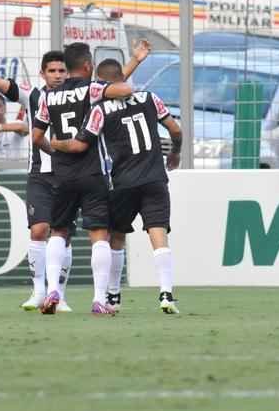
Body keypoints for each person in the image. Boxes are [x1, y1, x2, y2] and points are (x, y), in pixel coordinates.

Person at [54, 58, 183, 314]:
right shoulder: (150, 98)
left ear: (102, 82)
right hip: (155, 177)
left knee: (115, 234)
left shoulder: (100, 109)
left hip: (122, 182)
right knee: (159, 235)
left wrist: (55, 143)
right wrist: (175, 153)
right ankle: (166, 294)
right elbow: (175, 129)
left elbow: (80, 145)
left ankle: (112, 295)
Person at [0, 45, 76, 312]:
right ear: (42, 74)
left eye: (61, 70)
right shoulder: (32, 95)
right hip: (40, 175)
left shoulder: (80, 95)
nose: (57, 75)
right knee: (39, 229)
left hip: (71, 175)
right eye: (52, 70)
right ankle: (39, 291)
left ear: (68, 73)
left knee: (63, 235)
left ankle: (59, 295)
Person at [31, 42, 134, 316]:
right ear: (88, 66)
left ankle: (52, 288)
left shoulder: (47, 96)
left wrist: (55, 150)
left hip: (62, 175)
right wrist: (106, 86)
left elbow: (37, 137)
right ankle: (99, 299)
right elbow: (125, 89)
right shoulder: (92, 89)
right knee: (99, 234)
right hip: (92, 173)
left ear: (67, 66)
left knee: (59, 231)